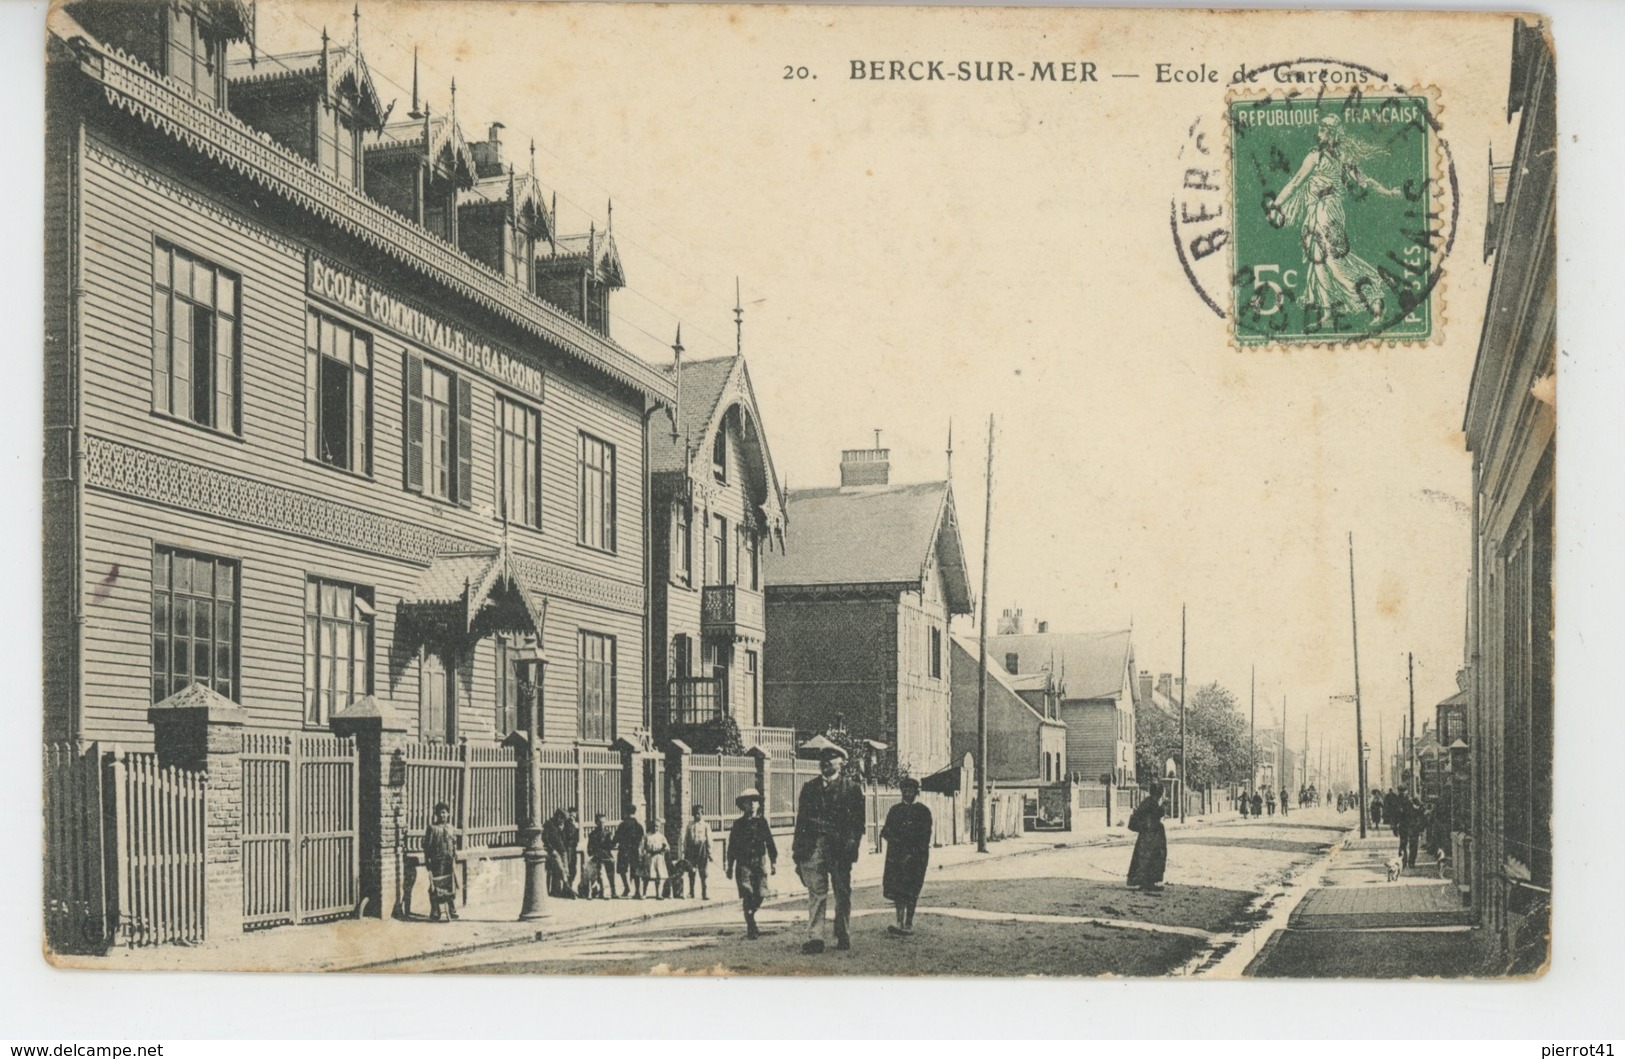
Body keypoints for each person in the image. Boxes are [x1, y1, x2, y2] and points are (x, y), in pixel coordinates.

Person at [1262, 113, 1404, 326]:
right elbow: (1297, 183)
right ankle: (1327, 314)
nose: (1318, 133)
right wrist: (1389, 192)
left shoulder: (1333, 158)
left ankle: (1375, 301)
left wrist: (1276, 204)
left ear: (1329, 134)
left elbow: (1296, 183)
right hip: (1315, 212)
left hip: (1328, 211)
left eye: (1322, 130)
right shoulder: (1319, 156)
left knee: (1333, 260)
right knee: (1317, 263)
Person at [792, 744, 866, 954]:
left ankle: (842, 932)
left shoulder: (851, 789)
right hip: (813, 848)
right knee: (817, 892)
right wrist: (797, 854)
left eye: (832, 758)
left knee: (842, 892)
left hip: (839, 849)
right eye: (823, 759)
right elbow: (801, 823)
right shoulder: (809, 788)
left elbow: (857, 824)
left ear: (841, 763)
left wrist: (852, 846)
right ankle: (815, 937)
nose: (826, 762)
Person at [880, 776, 933, 936]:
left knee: (912, 890)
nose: (907, 793)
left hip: (917, 857)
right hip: (896, 857)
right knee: (898, 890)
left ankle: (909, 922)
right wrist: (896, 842)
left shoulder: (923, 811)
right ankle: (899, 921)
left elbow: (925, 836)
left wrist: (911, 852)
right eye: (904, 790)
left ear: (916, 792)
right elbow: (885, 831)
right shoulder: (895, 810)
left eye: (911, 790)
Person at [725, 788, 777, 939]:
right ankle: (751, 926)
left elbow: (770, 843)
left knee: (760, 893)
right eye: (749, 802)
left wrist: (773, 862)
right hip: (743, 864)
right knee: (747, 893)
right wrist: (729, 865)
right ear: (743, 805)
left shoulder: (762, 822)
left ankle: (750, 914)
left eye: (756, 801)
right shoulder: (738, 824)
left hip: (759, 862)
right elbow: (732, 846)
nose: (753, 804)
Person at [1126, 780, 1168, 893]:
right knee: (1150, 857)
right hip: (1151, 834)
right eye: (1160, 792)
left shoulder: (1147, 801)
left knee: (1147, 856)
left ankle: (1147, 881)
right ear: (1157, 793)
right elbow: (1156, 814)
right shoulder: (1152, 802)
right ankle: (1147, 882)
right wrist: (1163, 808)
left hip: (1148, 833)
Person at [423, 801, 459, 922]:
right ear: (436, 814)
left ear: (448, 814)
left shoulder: (451, 828)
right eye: (440, 813)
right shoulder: (432, 828)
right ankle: (435, 910)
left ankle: (452, 909)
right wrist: (427, 861)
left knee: (450, 884)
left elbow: (454, 843)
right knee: (435, 885)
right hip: (437, 861)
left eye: (444, 813)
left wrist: (455, 855)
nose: (442, 815)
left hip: (449, 860)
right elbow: (427, 846)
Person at [681, 803, 714, 901]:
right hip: (691, 850)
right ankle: (691, 892)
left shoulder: (705, 825)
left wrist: (710, 853)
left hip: (702, 849)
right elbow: (686, 838)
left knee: (703, 872)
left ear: (702, 813)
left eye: (698, 813)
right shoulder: (690, 825)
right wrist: (684, 850)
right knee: (691, 872)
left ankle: (704, 893)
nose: (696, 816)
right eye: (694, 814)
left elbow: (709, 839)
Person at [613, 805, 646, 899]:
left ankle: (627, 887)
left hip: (624, 849)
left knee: (622, 870)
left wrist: (612, 843)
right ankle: (637, 891)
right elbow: (641, 839)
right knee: (635, 870)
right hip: (634, 850)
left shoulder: (622, 825)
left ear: (626, 812)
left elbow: (616, 838)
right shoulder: (639, 826)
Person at [585, 812, 616, 899]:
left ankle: (613, 891)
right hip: (597, 856)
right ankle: (595, 891)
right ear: (596, 822)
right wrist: (593, 854)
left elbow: (609, 847)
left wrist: (612, 843)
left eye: (603, 822)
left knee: (611, 867)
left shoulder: (608, 833)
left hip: (606, 855)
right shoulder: (592, 834)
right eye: (600, 822)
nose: (602, 824)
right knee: (594, 872)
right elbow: (589, 848)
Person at [541, 808, 569, 897]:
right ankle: (567, 888)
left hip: (563, 851)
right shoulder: (549, 824)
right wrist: (551, 849)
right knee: (561, 869)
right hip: (554, 852)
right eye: (563, 819)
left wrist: (562, 830)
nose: (563, 822)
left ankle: (561, 891)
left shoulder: (560, 826)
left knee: (565, 870)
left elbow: (564, 839)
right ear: (559, 817)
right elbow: (545, 838)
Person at [643, 820, 671, 899]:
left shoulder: (661, 836)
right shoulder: (647, 836)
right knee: (647, 876)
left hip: (658, 857)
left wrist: (664, 848)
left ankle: (659, 894)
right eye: (654, 826)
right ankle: (644, 893)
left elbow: (668, 847)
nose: (656, 828)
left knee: (659, 877)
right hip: (649, 857)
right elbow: (642, 847)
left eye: (657, 827)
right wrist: (643, 855)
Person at [562, 807, 582, 898]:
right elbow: (567, 837)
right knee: (568, 868)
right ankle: (567, 889)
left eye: (574, 816)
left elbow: (577, 839)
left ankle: (569, 887)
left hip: (573, 849)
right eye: (571, 816)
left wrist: (577, 828)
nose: (572, 818)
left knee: (573, 869)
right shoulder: (566, 825)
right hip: (567, 849)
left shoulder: (575, 826)